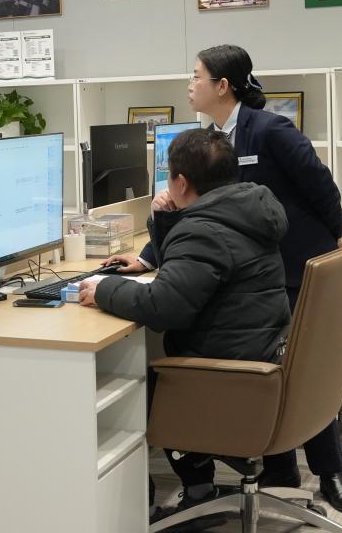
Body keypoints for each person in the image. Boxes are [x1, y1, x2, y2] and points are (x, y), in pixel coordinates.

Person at [107, 44, 342, 515]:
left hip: (293, 263)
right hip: (243, 268)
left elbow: (324, 191)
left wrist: (327, 245)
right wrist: (148, 257)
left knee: (302, 368)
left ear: (222, 86)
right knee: (268, 360)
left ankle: (331, 473)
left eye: (196, 76)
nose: (189, 85)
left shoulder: (270, 129)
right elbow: (201, 211)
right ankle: (280, 470)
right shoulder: (210, 140)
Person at [78, 129, 290, 524]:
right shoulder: (247, 208)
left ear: (181, 182)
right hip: (261, 358)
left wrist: (104, 288)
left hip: (227, 375)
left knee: (143, 384)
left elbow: (163, 307)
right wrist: (167, 220)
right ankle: (199, 488)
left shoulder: (204, 231)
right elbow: (187, 267)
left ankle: (177, 498)